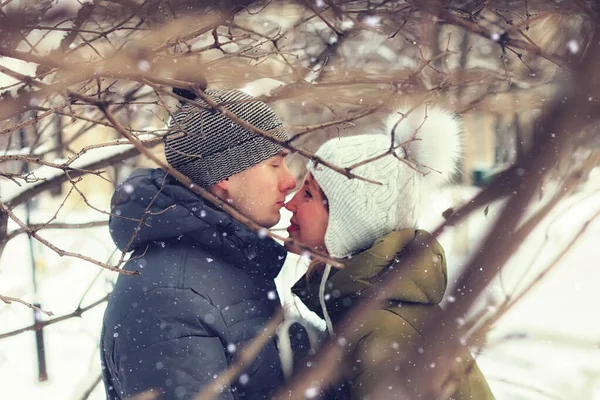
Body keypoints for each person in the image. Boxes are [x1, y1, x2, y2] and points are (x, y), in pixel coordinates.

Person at [284, 104, 495, 399]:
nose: (290, 204)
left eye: (308, 194)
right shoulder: (368, 308)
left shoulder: (385, 332)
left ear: (349, 220)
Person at [100, 88, 297, 400]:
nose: (290, 181)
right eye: (274, 165)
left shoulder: (226, 261)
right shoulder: (169, 296)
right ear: (225, 176)